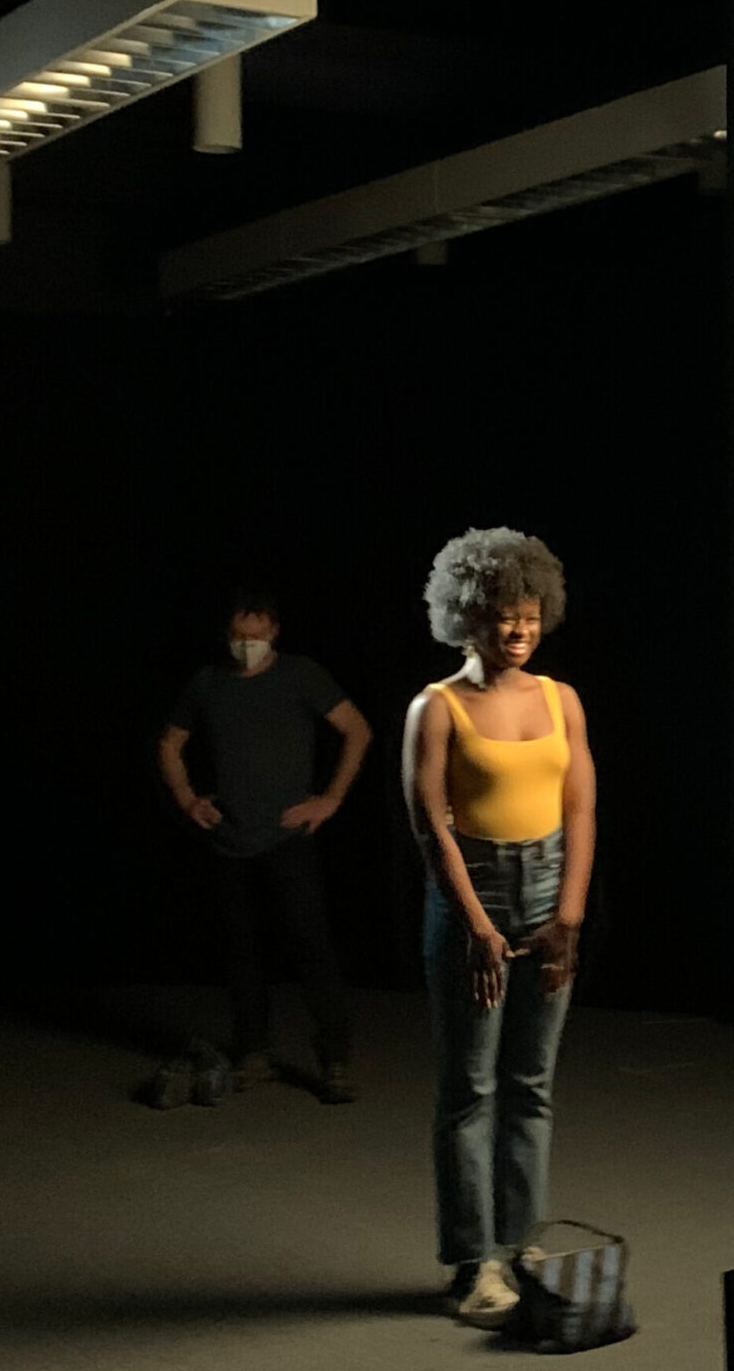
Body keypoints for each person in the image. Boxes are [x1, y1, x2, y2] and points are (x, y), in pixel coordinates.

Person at [403, 528, 596, 1329]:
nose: (517, 632)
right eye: (500, 618)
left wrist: (571, 914)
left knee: (532, 1085)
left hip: (550, 891)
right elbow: (429, 823)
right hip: (470, 896)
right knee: (470, 1091)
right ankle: (473, 1262)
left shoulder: (561, 699)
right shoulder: (436, 707)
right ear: (466, 617)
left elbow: (581, 806)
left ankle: (520, 1242)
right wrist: (477, 926)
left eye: (528, 617)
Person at [157, 590, 370, 1102]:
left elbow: (356, 730)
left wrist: (329, 799)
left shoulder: (301, 675)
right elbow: (169, 743)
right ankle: (253, 1052)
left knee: (311, 947)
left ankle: (335, 1060)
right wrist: (188, 799)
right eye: (238, 637)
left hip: (286, 838)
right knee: (241, 952)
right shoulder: (207, 683)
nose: (246, 645)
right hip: (230, 840)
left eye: (256, 637)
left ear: (274, 633)